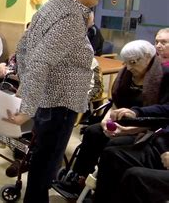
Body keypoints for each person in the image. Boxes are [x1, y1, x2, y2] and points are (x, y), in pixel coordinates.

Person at [13, 0, 108, 202]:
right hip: (59, 103)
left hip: (49, 99)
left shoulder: (53, 7)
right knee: (44, 170)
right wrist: (27, 105)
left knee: (41, 163)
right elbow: (40, 59)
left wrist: (25, 86)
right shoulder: (70, 18)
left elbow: (24, 48)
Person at [64, 40, 169, 193]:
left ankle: (104, 186)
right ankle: (79, 178)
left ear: (148, 57)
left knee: (113, 146)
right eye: (126, 62)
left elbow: (160, 117)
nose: (129, 67)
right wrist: (105, 120)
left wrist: (129, 129)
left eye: (133, 62)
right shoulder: (126, 72)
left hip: (147, 128)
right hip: (122, 121)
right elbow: (114, 103)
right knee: (92, 132)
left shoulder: (163, 77)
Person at [94, 103, 169, 203]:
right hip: (162, 148)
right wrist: (136, 112)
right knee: (112, 156)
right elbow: (165, 109)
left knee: (136, 177)